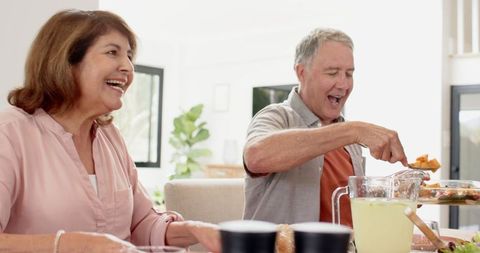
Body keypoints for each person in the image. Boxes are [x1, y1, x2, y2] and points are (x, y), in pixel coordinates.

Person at [0, 9, 220, 253]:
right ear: (67, 61)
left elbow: (142, 224)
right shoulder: (9, 134)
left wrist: (196, 230)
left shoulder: (110, 136)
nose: (127, 67)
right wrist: (74, 245)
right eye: (112, 52)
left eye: (129, 56)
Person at [243, 28, 408, 227]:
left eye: (349, 74)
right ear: (301, 72)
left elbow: (347, 201)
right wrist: (354, 131)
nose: (343, 84)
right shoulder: (277, 116)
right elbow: (256, 156)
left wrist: (391, 189)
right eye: (332, 73)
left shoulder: (348, 137)